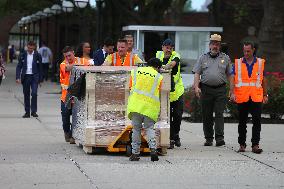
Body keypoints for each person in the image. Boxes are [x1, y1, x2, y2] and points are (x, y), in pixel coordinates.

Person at [192, 34, 232, 147]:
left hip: (220, 89)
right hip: (206, 89)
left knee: (219, 114)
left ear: (220, 46)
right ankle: (208, 138)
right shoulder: (202, 58)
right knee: (207, 114)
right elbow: (197, 73)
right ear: (210, 45)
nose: (215, 46)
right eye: (213, 44)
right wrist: (196, 87)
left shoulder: (226, 58)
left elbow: (230, 75)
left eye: (217, 44)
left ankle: (219, 138)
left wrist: (232, 89)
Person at [229, 41, 268, 154]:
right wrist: (232, 92)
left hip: (256, 96)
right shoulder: (237, 63)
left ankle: (255, 145)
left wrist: (265, 94)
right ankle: (242, 144)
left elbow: (263, 80)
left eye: (248, 51)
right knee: (242, 122)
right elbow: (232, 78)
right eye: (244, 51)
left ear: (253, 50)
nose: (246, 53)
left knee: (257, 121)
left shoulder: (260, 63)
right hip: (242, 96)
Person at [127, 57, 163, 161]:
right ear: (157, 67)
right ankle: (153, 150)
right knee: (149, 128)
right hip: (150, 107)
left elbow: (130, 87)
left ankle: (135, 154)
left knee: (136, 129)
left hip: (135, 106)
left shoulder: (135, 72)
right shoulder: (158, 77)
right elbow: (158, 91)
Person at [60, 46, 92, 144]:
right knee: (65, 116)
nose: (68, 58)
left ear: (73, 53)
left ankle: (74, 136)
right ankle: (67, 132)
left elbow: (91, 65)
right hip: (66, 96)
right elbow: (68, 68)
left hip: (78, 95)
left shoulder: (82, 61)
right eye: (66, 56)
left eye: (69, 55)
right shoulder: (63, 64)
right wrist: (79, 66)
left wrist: (90, 63)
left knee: (76, 116)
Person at [156, 39, 184, 149]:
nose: (168, 49)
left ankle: (175, 135)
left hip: (176, 91)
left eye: (170, 47)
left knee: (177, 115)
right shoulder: (158, 55)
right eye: (166, 47)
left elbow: (172, 64)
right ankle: (169, 138)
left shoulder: (175, 55)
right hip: (163, 92)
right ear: (162, 47)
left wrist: (163, 67)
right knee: (165, 117)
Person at [16, 41, 43, 118]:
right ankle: (27, 112)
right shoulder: (23, 55)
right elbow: (19, 66)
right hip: (26, 77)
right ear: (27, 47)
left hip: (34, 77)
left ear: (34, 47)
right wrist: (18, 77)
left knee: (34, 93)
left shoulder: (38, 55)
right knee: (26, 94)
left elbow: (40, 68)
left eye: (32, 48)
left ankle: (34, 111)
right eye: (29, 48)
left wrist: (40, 80)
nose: (30, 49)